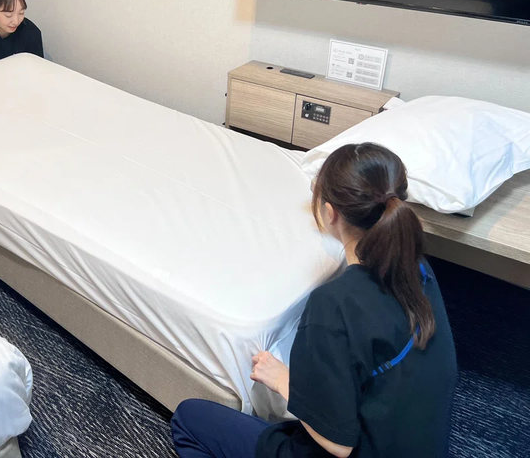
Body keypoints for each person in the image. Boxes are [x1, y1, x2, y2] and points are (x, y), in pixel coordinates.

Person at [170, 143, 458, 457]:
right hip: (416, 441)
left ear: (329, 212)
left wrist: (283, 381)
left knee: (188, 418)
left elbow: (338, 444)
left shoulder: (333, 303)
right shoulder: (417, 267)